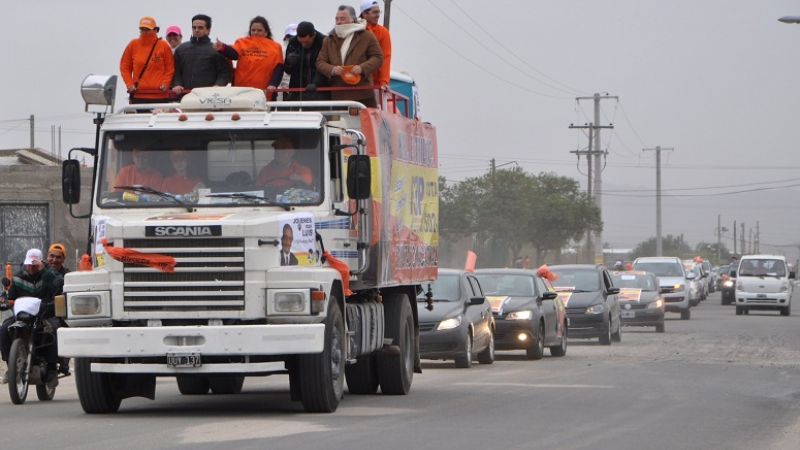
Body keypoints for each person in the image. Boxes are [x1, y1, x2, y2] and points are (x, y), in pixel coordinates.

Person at [0, 249, 62, 385]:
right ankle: (10, 366)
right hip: (22, 315)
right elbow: (9, 297)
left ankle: (52, 369)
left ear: (40, 263)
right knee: (4, 329)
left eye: (35, 264)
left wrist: (45, 272)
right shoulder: (16, 278)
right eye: (29, 264)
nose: (31, 267)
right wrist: (4, 301)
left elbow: (58, 286)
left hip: (44, 314)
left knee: (53, 330)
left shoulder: (50, 276)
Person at [316, 5, 383, 107]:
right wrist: (332, 69)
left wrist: (362, 68)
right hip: (338, 94)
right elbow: (320, 62)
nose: (338, 22)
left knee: (363, 122)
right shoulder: (329, 39)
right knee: (336, 123)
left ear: (352, 19)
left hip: (363, 94)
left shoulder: (367, 36)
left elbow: (378, 57)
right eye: (337, 19)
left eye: (342, 19)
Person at [215, 16, 284, 92]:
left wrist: (273, 84)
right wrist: (223, 47)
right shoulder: (242, 42)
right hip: (241, 90)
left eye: (259, 30)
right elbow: (234, 54)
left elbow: (279, 68)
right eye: (253, 30)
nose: (255, 33)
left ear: (266, 32)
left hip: (264, 91)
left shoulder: (275, 47)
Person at [172, 14, 232, 96]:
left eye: (200, 27)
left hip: (208, 98)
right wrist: (177, 84)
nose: (196, 30)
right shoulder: (181, 49)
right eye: (194, 27)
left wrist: (218, 85)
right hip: (184, 96)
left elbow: (224, 73)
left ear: (208, 30)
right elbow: (176, 71)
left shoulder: (216, 49)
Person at [120, 16, 175, 104]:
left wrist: (166, 83)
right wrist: (129, 84)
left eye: (147, 29)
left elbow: (170, 68)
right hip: (138, 95)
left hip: (160, 95)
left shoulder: (163, 45)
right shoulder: (133, 44)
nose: (144, 32)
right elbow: (124, 67)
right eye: (142, 29)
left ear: (155, 30)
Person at [284, 21, 329, 101]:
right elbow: (287, 70)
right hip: (297, 90)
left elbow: (325, 65)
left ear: (313, 35)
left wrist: (316, 83)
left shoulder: (324, 42)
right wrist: (289, 63)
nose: (303, 45)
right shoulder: (293, 43)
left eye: (306, 42)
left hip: (319, 91)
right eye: (301, 42)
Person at [360, 0, 392, 88]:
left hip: (376, 84)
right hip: (356, 81)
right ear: (364, 14)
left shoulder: (383, 32)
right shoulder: (355, 30)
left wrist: (383, 82)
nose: (378, 15)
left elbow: (386, 57)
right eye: (374, 12)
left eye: (378, 12)